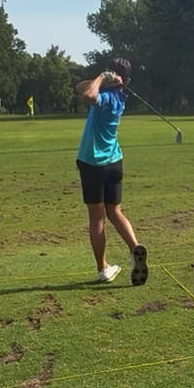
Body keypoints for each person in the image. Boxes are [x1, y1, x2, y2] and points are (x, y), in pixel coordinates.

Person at [74, 57, 149, 286]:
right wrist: (107, 80)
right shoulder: (120, 98)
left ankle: (102, 269)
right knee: (115, 213)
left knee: (97, 219)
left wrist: (100, 78)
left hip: (92, 164)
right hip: (114, 162)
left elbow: (87, 95)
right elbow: (79, 87)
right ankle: (135, 248)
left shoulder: (106, 99)